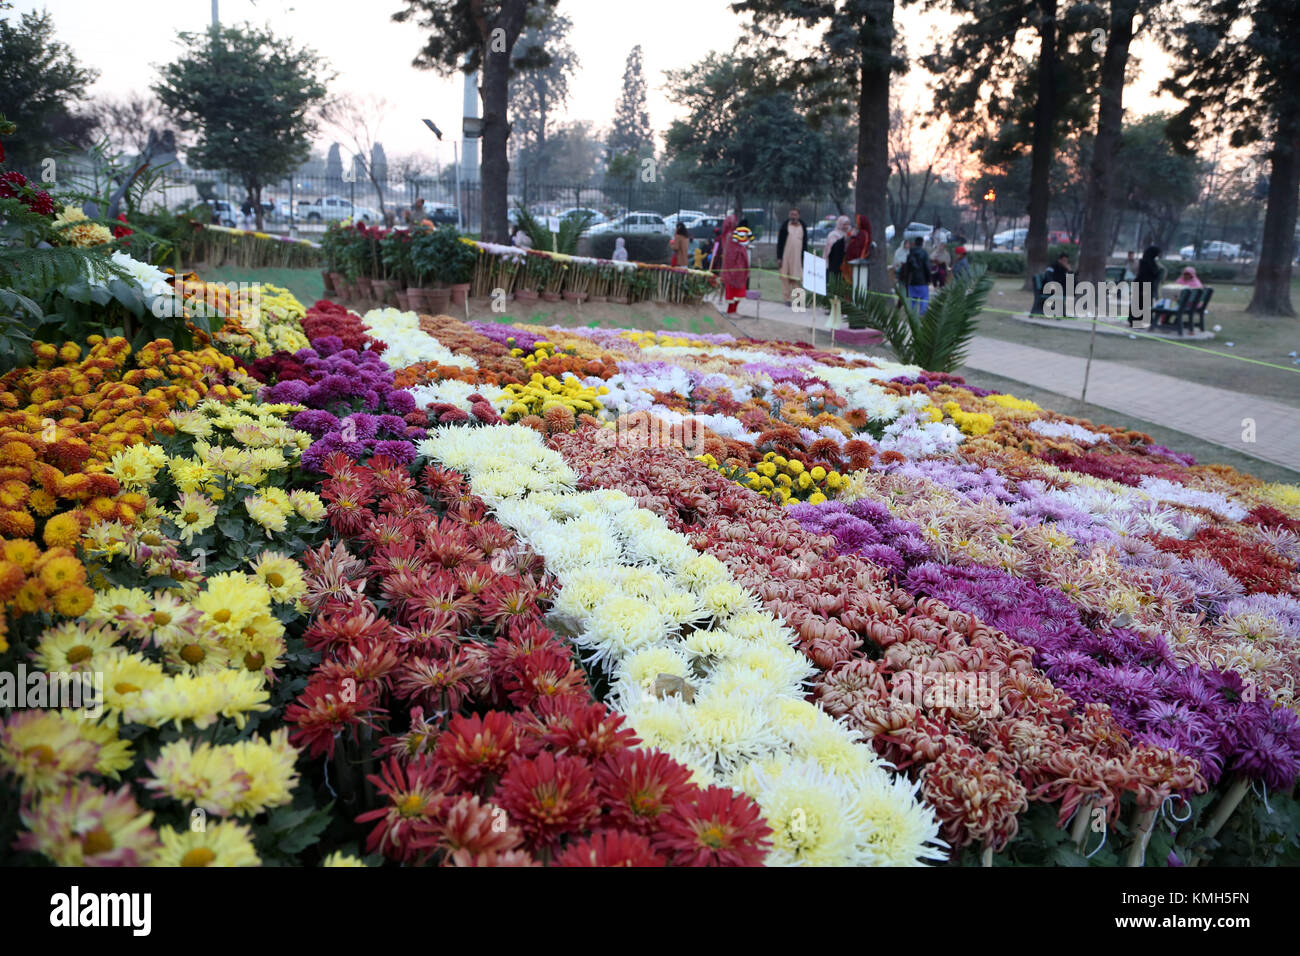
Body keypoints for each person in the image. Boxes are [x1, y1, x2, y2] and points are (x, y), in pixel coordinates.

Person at [720, 215, 752, 314]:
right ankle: (731, 311)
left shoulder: (728, 235)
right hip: (734, 267)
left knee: (737, 290)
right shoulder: (731, 235)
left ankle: (733, 310)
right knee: (734, 290)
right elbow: (737, 249)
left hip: (734, 267)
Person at [776, 208, 808, 299]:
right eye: (791, 214)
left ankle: (799, 299)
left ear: (798, 216)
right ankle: (787, 298)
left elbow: (805, 243)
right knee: (785, 277)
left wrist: (804, 257)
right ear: (789, 215)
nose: (793, 216)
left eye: (795, 214)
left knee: (797, 278)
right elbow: (780, 243)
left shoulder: (802, 227)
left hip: (797, 258)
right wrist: (779, 257)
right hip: (785, 257)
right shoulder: (785, 226)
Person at [898, 237, 933, 314]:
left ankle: (912, 315)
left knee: (912, 300)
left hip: (912, 281)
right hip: (922, 281)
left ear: (914, 243)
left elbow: (907, 269)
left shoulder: (910, 254)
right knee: (924, 299)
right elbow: (927, 267)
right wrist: (929, 279)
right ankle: (922, 315)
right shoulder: (924, 254)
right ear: (922, 243)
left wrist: (906, 281)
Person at [1131, 245, 1162, 328]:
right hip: (1142, 285)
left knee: (1146, 304)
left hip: (1147, 285)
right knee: (1140, 303)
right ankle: (1137, 321)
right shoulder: (1145, 263)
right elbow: (1144, 275)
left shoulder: (1152, 262)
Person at [842, 214, 870, 282]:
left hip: (856, 262)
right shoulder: (862, 233)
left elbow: (857, 247)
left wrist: (852, 237)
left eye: (858, 221)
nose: (857, 223)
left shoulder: (863, 234)